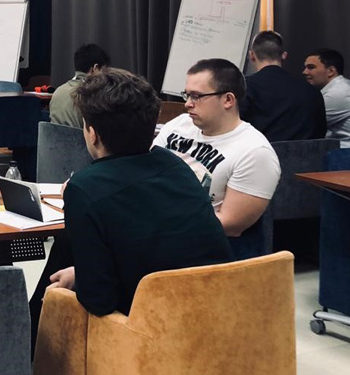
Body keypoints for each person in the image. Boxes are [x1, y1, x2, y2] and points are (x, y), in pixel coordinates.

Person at [29, 68, 232, 352]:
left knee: (54, 287)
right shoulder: (175, 166)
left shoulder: (85, 188)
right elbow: (158, 248)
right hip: (216, 316)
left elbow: (99, 301)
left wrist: (79, 282)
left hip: (144, 334)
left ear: (92, 134)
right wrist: (81, 273)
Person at [153, 58, 281, 259]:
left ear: (228, 100)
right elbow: (146, 168)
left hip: (202, 249)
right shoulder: (179, 124)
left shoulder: (255, 151)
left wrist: (158, 222)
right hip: (160, 228)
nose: (187, 104)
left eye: (196, 96)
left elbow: (230, 224)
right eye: (187, 95)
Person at [240, 31, 326, 141]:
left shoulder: (245, 87)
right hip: (307, 157)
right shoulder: (311, 90)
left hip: (263, 156)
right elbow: (320, 133)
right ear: (284, 55)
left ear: (251, 55)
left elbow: (235, 129)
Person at [48, 43, 110, 128]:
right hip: (82, 141)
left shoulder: (58, 91)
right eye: (104, 70)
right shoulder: (93, 94)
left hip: (53, 141)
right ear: (95, 68)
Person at [303, 48, 350, 147]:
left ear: (331, 71)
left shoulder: (338, 93)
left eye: (311, 67)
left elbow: (302, 124)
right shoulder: (341, 88)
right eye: (305, 68)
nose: (305, 72)